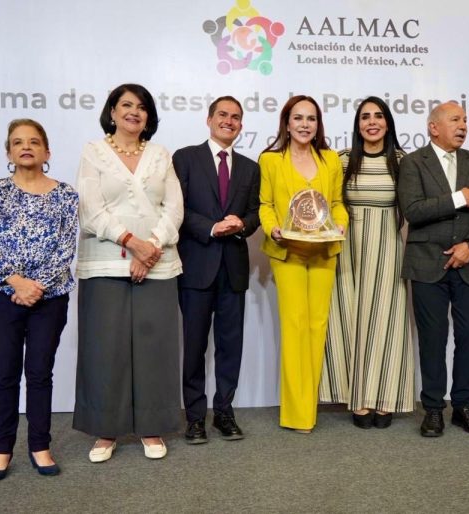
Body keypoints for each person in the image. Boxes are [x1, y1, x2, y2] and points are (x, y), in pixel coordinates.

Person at [73, 84, 184, 462]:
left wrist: (150, 247)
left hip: (158, 262)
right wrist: (131, 242)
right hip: (105, 263)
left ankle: (152, 427)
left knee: (155, 347)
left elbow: (174, 208)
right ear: (112, 112)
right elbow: (90, 209)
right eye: (126, 105)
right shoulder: (93, 152)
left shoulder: (160, 154)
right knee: (106, 348)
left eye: (141, 107)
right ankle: (107, 431)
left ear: (148, 117)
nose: (134, 112)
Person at [0, 119, 78, 481]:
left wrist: (37, 286)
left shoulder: (66, 195)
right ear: (9, 153)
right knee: (5, 373)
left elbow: (66, 247)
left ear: (47, 151)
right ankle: (2, 450)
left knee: (39, 374)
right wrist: (17, 283)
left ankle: (40, 446)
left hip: (49, 298)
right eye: (18, 142)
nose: (26, 147)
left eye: (34, 142)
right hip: (3, 295)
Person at [397, 101, 469, 437]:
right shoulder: (413, 162)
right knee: (433, 338)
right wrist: (458, 198)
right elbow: (413, 210)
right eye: (455, 119)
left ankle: (464, 406)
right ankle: (433, 409)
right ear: (433, 127)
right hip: (427, 264)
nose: (463, 126)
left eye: (465, 120)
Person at [320, 97, 414, 429]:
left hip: (388, 249)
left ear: (388, 123)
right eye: (364, 117)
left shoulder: (404, 162)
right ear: (357, 125)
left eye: (378, 116)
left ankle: (384, 398)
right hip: (348, 250)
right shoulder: (342, 160)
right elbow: (326, 202)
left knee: (386, 324)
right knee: (350, 322)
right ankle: (357, 399)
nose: (371, 122)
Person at [173, 96, 260, 444]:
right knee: (194, 346)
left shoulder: (250, 167)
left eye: (236, 117)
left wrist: (242, 224)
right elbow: (176, 209)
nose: (229, 121)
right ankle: (195, 418)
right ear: (209, 120)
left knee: (230, 346)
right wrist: (211, 227)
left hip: (233, 270)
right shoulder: (185, 158)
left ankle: (225, 411)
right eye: (222, 115)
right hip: (196, 267)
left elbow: (255, 214)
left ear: (241, 125)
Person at [259, 95, 348, 433]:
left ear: (318, 124)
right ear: (286, 122)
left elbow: (337, 203)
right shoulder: (270, 160)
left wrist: (341, 224)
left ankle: (309, 408)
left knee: (317, 328)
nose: (304, 124)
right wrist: (273, 229)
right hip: (288, 253)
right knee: (294, 328)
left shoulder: (330, 159)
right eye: (298, 118)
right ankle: (297, 415)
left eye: (311, 119)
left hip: (324, 252)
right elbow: (265, 204)